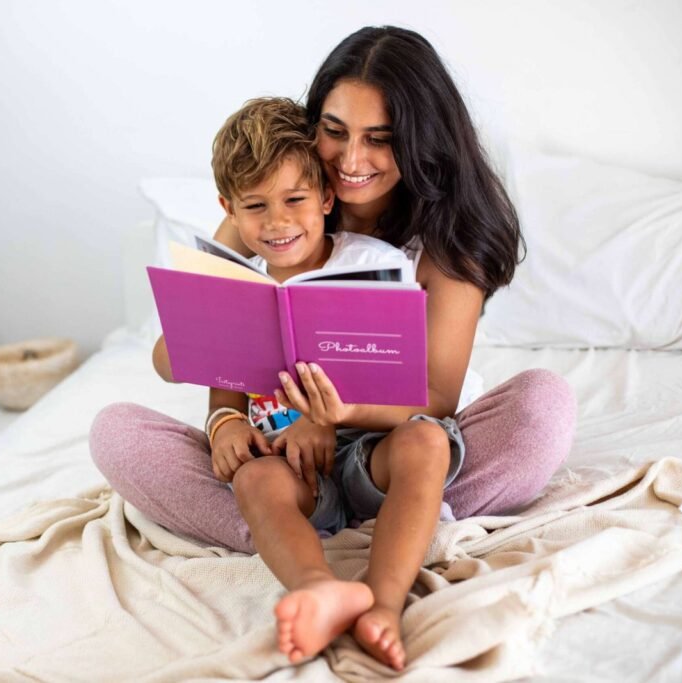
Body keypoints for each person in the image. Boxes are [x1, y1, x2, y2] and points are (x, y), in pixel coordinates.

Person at [91, 26, 577, 671]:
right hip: (280, 453)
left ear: (419, 138)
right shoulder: (267, 205)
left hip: (391, 437)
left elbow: (435, 399)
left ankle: (357, 535)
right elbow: (213, 344)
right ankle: (327, 534)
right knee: (118, 433)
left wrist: (334, 414)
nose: (351, 158)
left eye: (380, 137)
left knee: (538, 409)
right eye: (335, 130)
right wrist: (225, 421)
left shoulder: (442, 241)